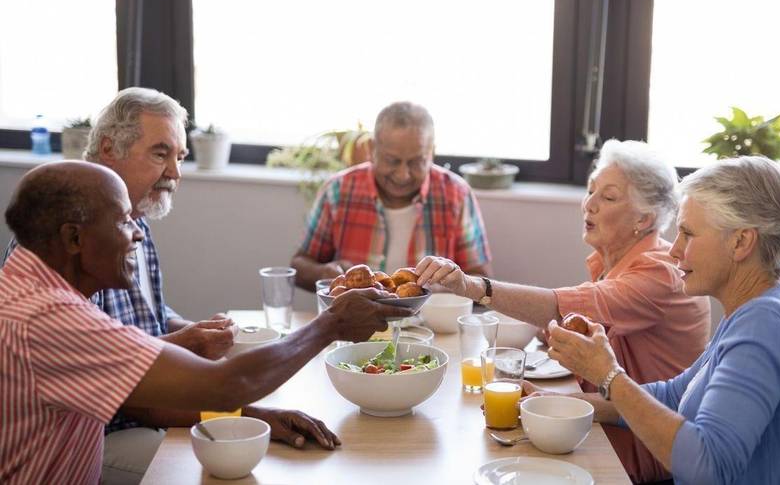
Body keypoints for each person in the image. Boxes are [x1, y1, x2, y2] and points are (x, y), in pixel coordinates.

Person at [0, 161, 413, 485]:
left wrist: (251, 414)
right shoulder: (51, 319)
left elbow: (159, 395)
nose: (138, 235)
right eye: (125, 221)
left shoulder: (34, 290)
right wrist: (330, 324)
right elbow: (225, 384)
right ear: (74, 239)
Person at [1, 88, 335, 484]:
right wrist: (330, 326)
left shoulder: (122, 227)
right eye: (161, 154)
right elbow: (150, 393)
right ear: (109, 147)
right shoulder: (54, 295)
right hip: (120, 426)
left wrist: (197, 335)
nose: (176, 173)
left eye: (180, 157)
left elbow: (146, 324)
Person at [416, 139, 711, 483]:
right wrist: (549, 397)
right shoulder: (614, 262)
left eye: (609, 197)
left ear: (645, 218)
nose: (590, 204)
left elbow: (562, 306)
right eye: (590, 191)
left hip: (641, 447)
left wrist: (473, 287)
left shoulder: (660, 273)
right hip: (608, 419)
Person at [546, 156, 780, 485]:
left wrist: (608, 376)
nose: (674, 250)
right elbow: (672, 396)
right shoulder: (758, 309)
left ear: (741, 242)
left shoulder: (764, 326)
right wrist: (556, 403)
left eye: (688, 234)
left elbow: (710, 467)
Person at [291, 101, 492, 292]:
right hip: (356, 324)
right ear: (372, 149)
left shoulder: (456, 194)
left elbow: (481, 281)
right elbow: (299, 267)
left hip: (431, 325)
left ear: (432, 152)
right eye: (392, 161)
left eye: (416, 162)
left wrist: (455, 282)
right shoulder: (338, 190)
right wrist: (325, 273)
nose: (403, 174)